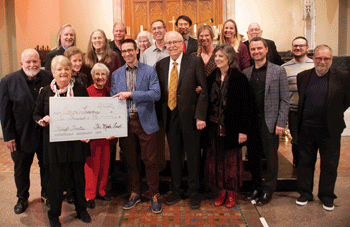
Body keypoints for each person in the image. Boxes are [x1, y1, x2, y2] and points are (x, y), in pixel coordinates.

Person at [33, 55, 91, 226]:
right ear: (53, 72)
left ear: (71, 71)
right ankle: (53, 215)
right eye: (59, 69)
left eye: (66, 69)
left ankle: (82, 209)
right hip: (55, 145)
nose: (63, 72)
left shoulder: (80, 89)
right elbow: (36, 114)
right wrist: (41, 119)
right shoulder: (45, 91)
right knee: (56, 182)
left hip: (77, 143)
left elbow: (89, 114)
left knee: (79, 179)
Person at [155, 31, 208, 209]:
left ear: (182, 43)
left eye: (175, 42)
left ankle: (194, 193)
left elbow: (204, 91)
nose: (171, 46)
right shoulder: (161, 64)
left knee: (193, 157)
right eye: (168, 43)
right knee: (175, 157)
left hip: (191, 117)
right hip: (170, 116)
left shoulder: (194, 61)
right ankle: (176, 191)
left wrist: (200, 116)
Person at [296, 45, 350, 211]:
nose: (322, 61)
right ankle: (305, 193)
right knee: (305, 162)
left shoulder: (344, 77)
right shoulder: (303, 76)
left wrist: (334, 114)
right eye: (319, 58)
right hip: (306, 128)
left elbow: (347, 100)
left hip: (330, 129)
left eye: (326, 58)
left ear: (331, 60)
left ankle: (327, 196)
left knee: (329, 164)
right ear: (313, 59)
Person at [110, 39, 162, 213]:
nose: (127, 54)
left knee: (150, 161)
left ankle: (154, 194)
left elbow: (156, 93)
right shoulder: (116, 74)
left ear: (137, 51)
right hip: (125, 123)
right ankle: (135, 192)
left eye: (130, 50)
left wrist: (131, 94)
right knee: (131, 161)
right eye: (124, 51)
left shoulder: (149, 71)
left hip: (145, 120)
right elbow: (113, 99)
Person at [0, 49, 52, 214]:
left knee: (47, 166)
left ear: (40, 62)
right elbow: (5, 111)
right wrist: (8, 136)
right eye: (28, 62)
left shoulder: (48, 77)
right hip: (20, 135)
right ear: (22, 63)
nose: (32, 65)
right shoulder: (8, 81)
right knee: (21, 169)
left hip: (45, 133)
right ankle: (22, 198)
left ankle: (46, 194)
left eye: (35, 61)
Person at [242, 37, 289, 205]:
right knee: (253, 157)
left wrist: (281, 122)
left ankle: (268, 189)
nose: (256, 51)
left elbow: (285, 99)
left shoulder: (278, 71)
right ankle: (255, 187)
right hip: (251, 123)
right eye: (253, 49)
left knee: (270, 158)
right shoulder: (246, 73)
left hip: (270, 122)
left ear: (266, 49)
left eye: (259, 48)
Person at [205, 44, 252, 207]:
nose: (217, 59)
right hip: (213, 127)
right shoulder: (211, 76)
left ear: (229, 58)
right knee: (217, 160)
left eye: (221, 56)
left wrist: (243, 131)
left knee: (231, 161)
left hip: (232, 127)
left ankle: (231, 193)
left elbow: (246, 107)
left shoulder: (239, 79)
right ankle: (222, 191)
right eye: (216, 56)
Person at [281, 37, 314, 167]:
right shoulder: (284, 67)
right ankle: (297, 165)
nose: (298, 48)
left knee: (309, 141)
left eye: (301, 45)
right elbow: (282, 92)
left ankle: (308, 166)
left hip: (310, 111)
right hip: (293, 111)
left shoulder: (314, 65)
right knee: (296, 141)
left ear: (307, 48)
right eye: (295, 46)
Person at [84, 63, 112, 209]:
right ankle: (89, 195)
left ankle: (101, 191)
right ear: (92, 76)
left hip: (106, 137)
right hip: (91, 137)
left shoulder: (110, 92)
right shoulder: (86, 91)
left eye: (103, 74)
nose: (100, 77)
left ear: (107, 77)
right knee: (91, 167)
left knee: (104, 164)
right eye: (97, 74)